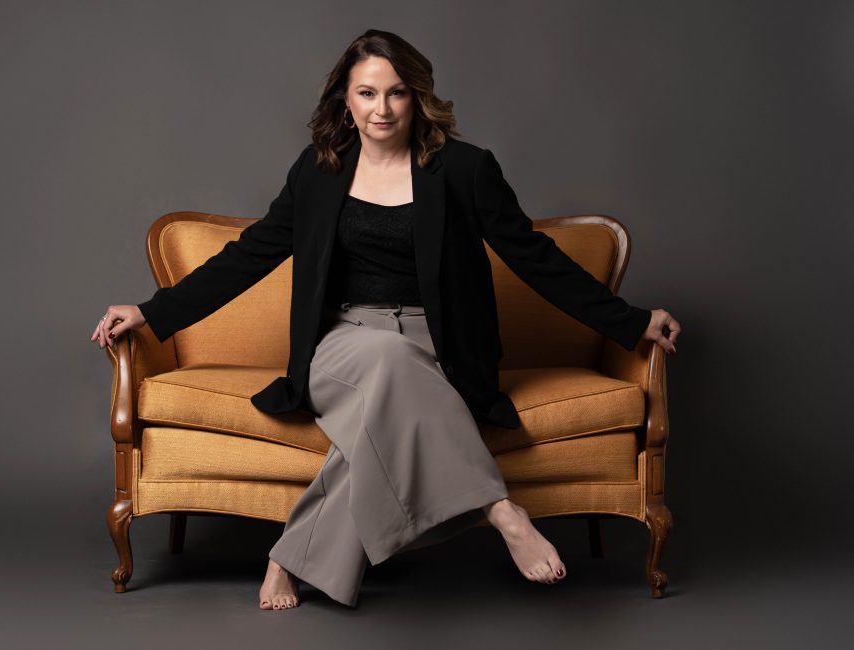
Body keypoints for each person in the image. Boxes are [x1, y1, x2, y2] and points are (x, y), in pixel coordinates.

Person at [90, 29, 681, 611]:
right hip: (345, 342)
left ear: (418, 98)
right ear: (345, 100)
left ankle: (287, 556)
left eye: (396, 93)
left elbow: (534, 257)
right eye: (367, 93)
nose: (382, 108)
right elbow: (250, 255)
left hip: (444, 346)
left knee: (380, 422)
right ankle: (504, 512)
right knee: (389, 360)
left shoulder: (465, 170)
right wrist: (150, 312)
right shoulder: (318, 173)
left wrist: (629, 322)